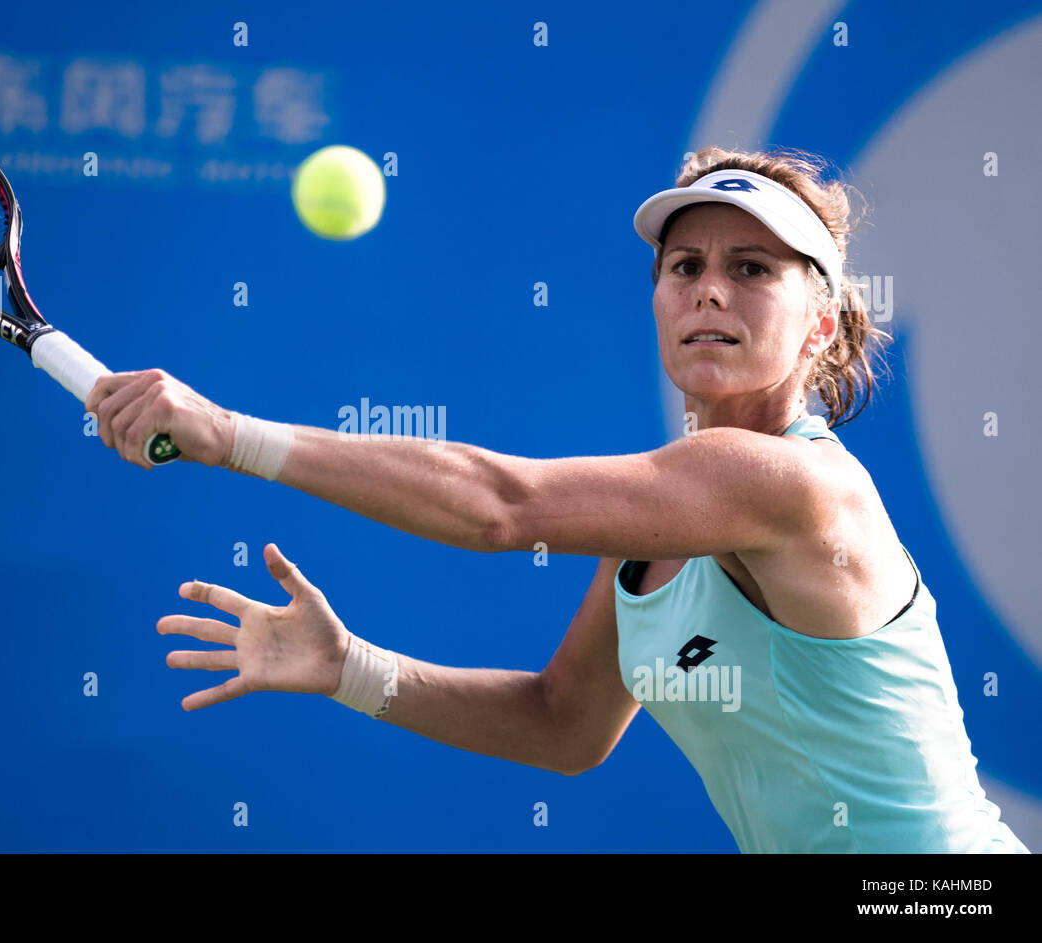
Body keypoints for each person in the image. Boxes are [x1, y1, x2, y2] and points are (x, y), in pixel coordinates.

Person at [84, 146, 1030, 854]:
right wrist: (350, 667)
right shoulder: (662, 518)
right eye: (683, 267)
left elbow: (502, 506)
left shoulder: (791, 481)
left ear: (820, 322)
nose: (709, 290)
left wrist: (229, 433)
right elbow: (563, 721)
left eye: (752, 268)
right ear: (657, 298)